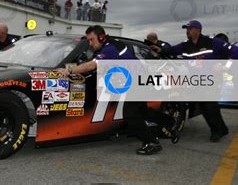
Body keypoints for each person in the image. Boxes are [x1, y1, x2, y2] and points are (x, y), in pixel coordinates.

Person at [57, 25, 179, 155]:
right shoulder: (106, 46)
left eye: (91, 40)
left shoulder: (111, 48)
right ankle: (170, 122)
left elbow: (91, 65)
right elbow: (89, 63)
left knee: (129, 114)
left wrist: (68, 71)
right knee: (143, 112)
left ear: (101, 37)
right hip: (136, 80)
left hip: (138, 81)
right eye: (88, 40)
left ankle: (152, 142)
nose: (90, 43)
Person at [151, 20, 238, 142]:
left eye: (189, 29)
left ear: (197, 30)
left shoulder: (212, 42)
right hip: (197, 81)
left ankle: (216, 131)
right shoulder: (186, 45)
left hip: (212, 80)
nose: (187, 32)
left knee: (209, 105)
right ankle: (222, 128)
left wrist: (224, 66)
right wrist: (160, 50)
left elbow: (234, 51)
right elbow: (172, 50)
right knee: (204, 107)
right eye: (187, 29)